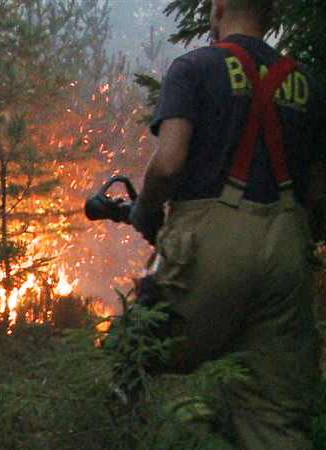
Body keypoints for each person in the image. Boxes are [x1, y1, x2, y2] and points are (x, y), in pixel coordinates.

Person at [128, 0, 325, 447]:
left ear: (217, 9)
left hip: (207, 249)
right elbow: (318, 193)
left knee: (152, 364)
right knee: (275, 416)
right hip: (287, 254)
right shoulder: (307, 84)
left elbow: (169, 161)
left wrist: (145, 210)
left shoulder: (193, 67)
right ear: (270, 15)